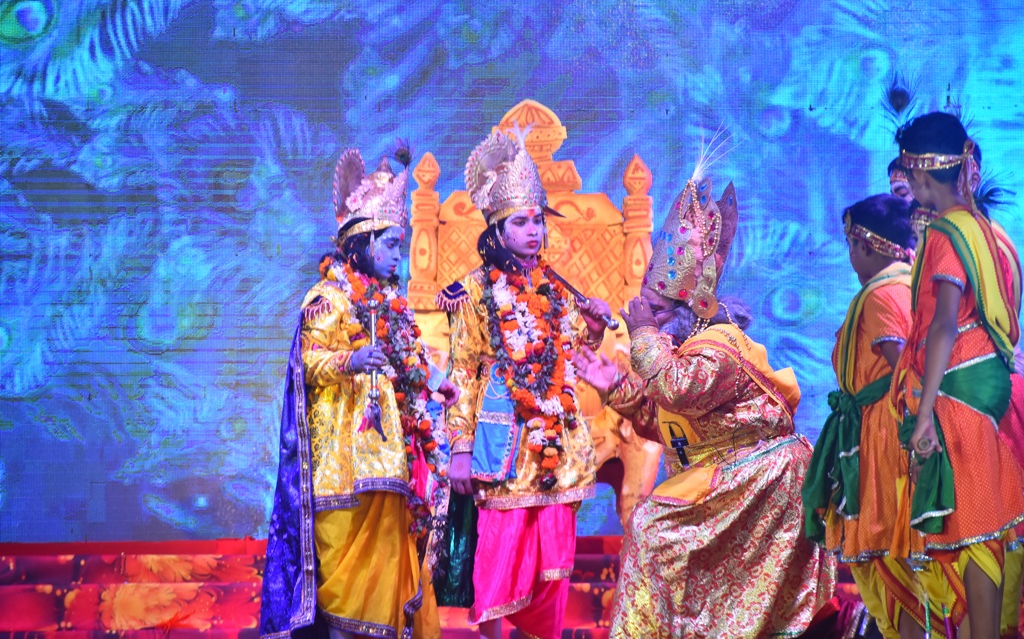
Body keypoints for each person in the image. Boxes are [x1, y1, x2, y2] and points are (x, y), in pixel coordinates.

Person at [574, 168, 835, 638]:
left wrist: (642, 335)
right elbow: (670, 425)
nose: (645, 314)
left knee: (653, 529)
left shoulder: (719, 344)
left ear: (688, 309)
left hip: (759, 481)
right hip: (722, 477)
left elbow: (676, 389)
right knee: (658, 536)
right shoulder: (682, 350)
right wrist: (614, 384)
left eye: (655, 308)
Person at [260, 146, 459, 639]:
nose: (397, 256)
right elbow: (306, 363)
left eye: (400, 246)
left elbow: (407, 359)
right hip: (342, 467)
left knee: (389, 565)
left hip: (390, 462)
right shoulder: (328, 298)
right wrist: (349, 361)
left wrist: (436, 381)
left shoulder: (391, 303)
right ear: (362, 244)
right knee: (343, 579)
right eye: (390, 245)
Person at [436, 125, 610, 639]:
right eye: (521, 222)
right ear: (497, 230)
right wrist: (460, 448)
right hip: (503, 439)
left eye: (538, 221)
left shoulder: (555, 286)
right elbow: (462, 370)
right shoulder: (472, 291)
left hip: (555, 437)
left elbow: (574, 346)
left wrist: (594, 327)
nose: (533, 231)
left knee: (552, 564)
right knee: (500, 553)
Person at [888, 111, 1024, 638]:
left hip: (957, 391)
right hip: (986, 386)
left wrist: (924, 415)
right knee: (982, 533)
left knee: (974, 532)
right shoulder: (985, 230)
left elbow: (944, 323)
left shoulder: (946, 233)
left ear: (921, 175)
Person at [802, 194, 916, 639]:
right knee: (894, 559)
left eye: (852, 245)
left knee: (889, 557)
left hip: (885, 434)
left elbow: (907, 371)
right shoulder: (905, 285)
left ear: (867, 246)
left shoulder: (883, 294)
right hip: (879, 428)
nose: (850, 256)